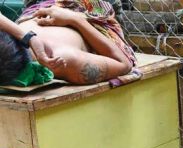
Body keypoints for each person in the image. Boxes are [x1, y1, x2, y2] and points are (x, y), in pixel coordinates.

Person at [0, 0, 133, 86]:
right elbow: (124, 64)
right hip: (92, 11)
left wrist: (28, 37)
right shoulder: (65, 61)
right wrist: (74, 20)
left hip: (41, 5)